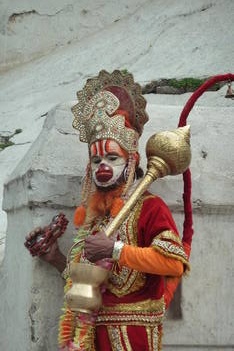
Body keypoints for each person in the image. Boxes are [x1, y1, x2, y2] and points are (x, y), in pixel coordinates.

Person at [26, 69, 190, 351]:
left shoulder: (150, 208)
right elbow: (87, 282)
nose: (102, 166)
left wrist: (114, 250)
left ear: (131, 160)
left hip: (133, 336)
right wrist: (54, 257)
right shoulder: (95, 217)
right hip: (89, 335)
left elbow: (173, 264)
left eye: (112, 157)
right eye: (96, 159)